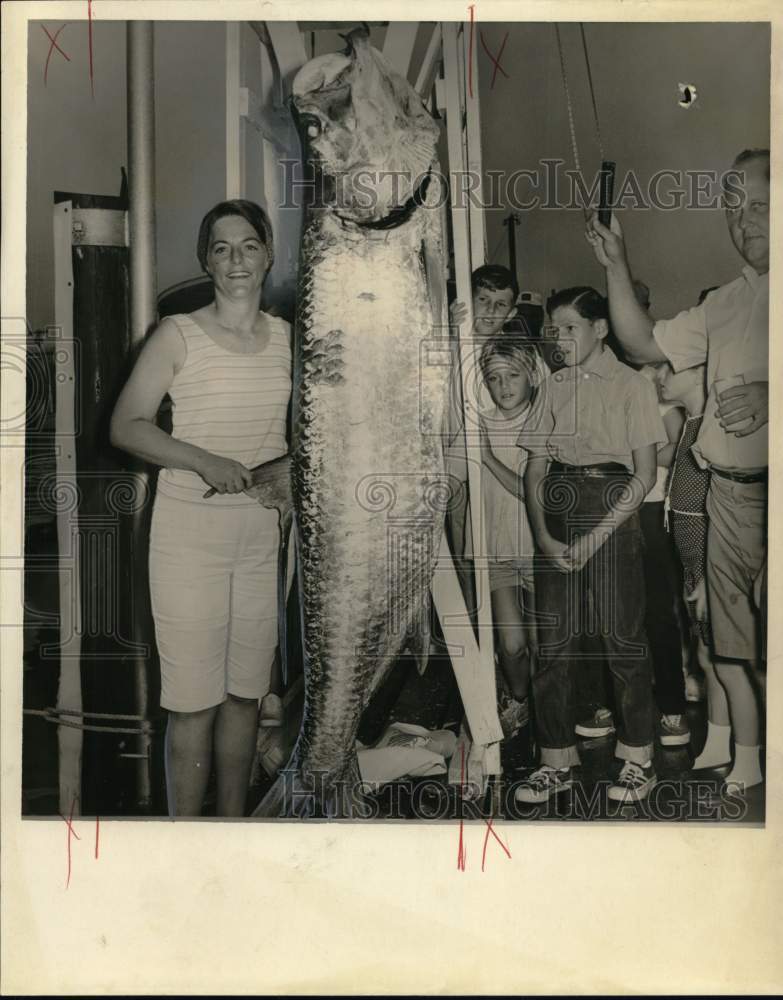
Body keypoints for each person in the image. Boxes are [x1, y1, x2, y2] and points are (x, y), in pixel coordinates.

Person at [586, 148, 769, 792]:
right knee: (730, 645)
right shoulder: (726, 301)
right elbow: (641, 343)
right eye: (733, 206)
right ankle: (734, 750)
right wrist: (618, 264)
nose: (743, 219)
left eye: (759, 203)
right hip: (723, 498)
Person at [110, 199, 292, 817]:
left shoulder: (292, 340)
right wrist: (203, 460)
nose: (236, 258)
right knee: (193, 703)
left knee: (245, 697)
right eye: (221, 247)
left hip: (260, 539)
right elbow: (127, 427)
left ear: (269, 255)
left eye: (248, 245)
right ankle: (185, 841)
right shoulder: (177, 333)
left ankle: (233, 829)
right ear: (206, 262)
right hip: (189, 538)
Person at [516, 286, 665, 804]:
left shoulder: (632, 385)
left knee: (622, 641)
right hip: (556, 507)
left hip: (613, 505)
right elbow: (534, 468)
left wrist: (599, 535)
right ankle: (555, 759)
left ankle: (637, 757)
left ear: (600, 329)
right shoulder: (552, 386)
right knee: (553, 645)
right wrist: (542, 534)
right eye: (553, 329)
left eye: (569, 327)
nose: (558, 339)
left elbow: (644, 475)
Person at [655, 361, 733, 769]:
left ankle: (731, 741)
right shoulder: (689, 425)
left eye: (671, 371)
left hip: (708, 563)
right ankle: (719, 739)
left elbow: (718, 510)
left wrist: (707, 575)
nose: (661, 377)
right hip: (692, 564)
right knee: (706, 656)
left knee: (718, 657)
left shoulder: (709, 428)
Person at [475, 337, 541, 740]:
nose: (504, 386)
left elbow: (532, 491)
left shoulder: (545, 420)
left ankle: (550, 714)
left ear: (531, 374)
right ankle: (520, 702)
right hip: (497, 552)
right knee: (512, 645)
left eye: (513, 375)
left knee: (543, 644)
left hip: (538, 551)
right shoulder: (478, 421)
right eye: (494, 377)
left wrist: (487, 457)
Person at [638, 363, 690, 746]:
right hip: (621, 512)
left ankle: (673, 708)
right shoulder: (622, 407)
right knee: (620, 614)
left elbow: (678, 452)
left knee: (659, 612)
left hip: (654, 513)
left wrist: (644, 454)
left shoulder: (665, 409)